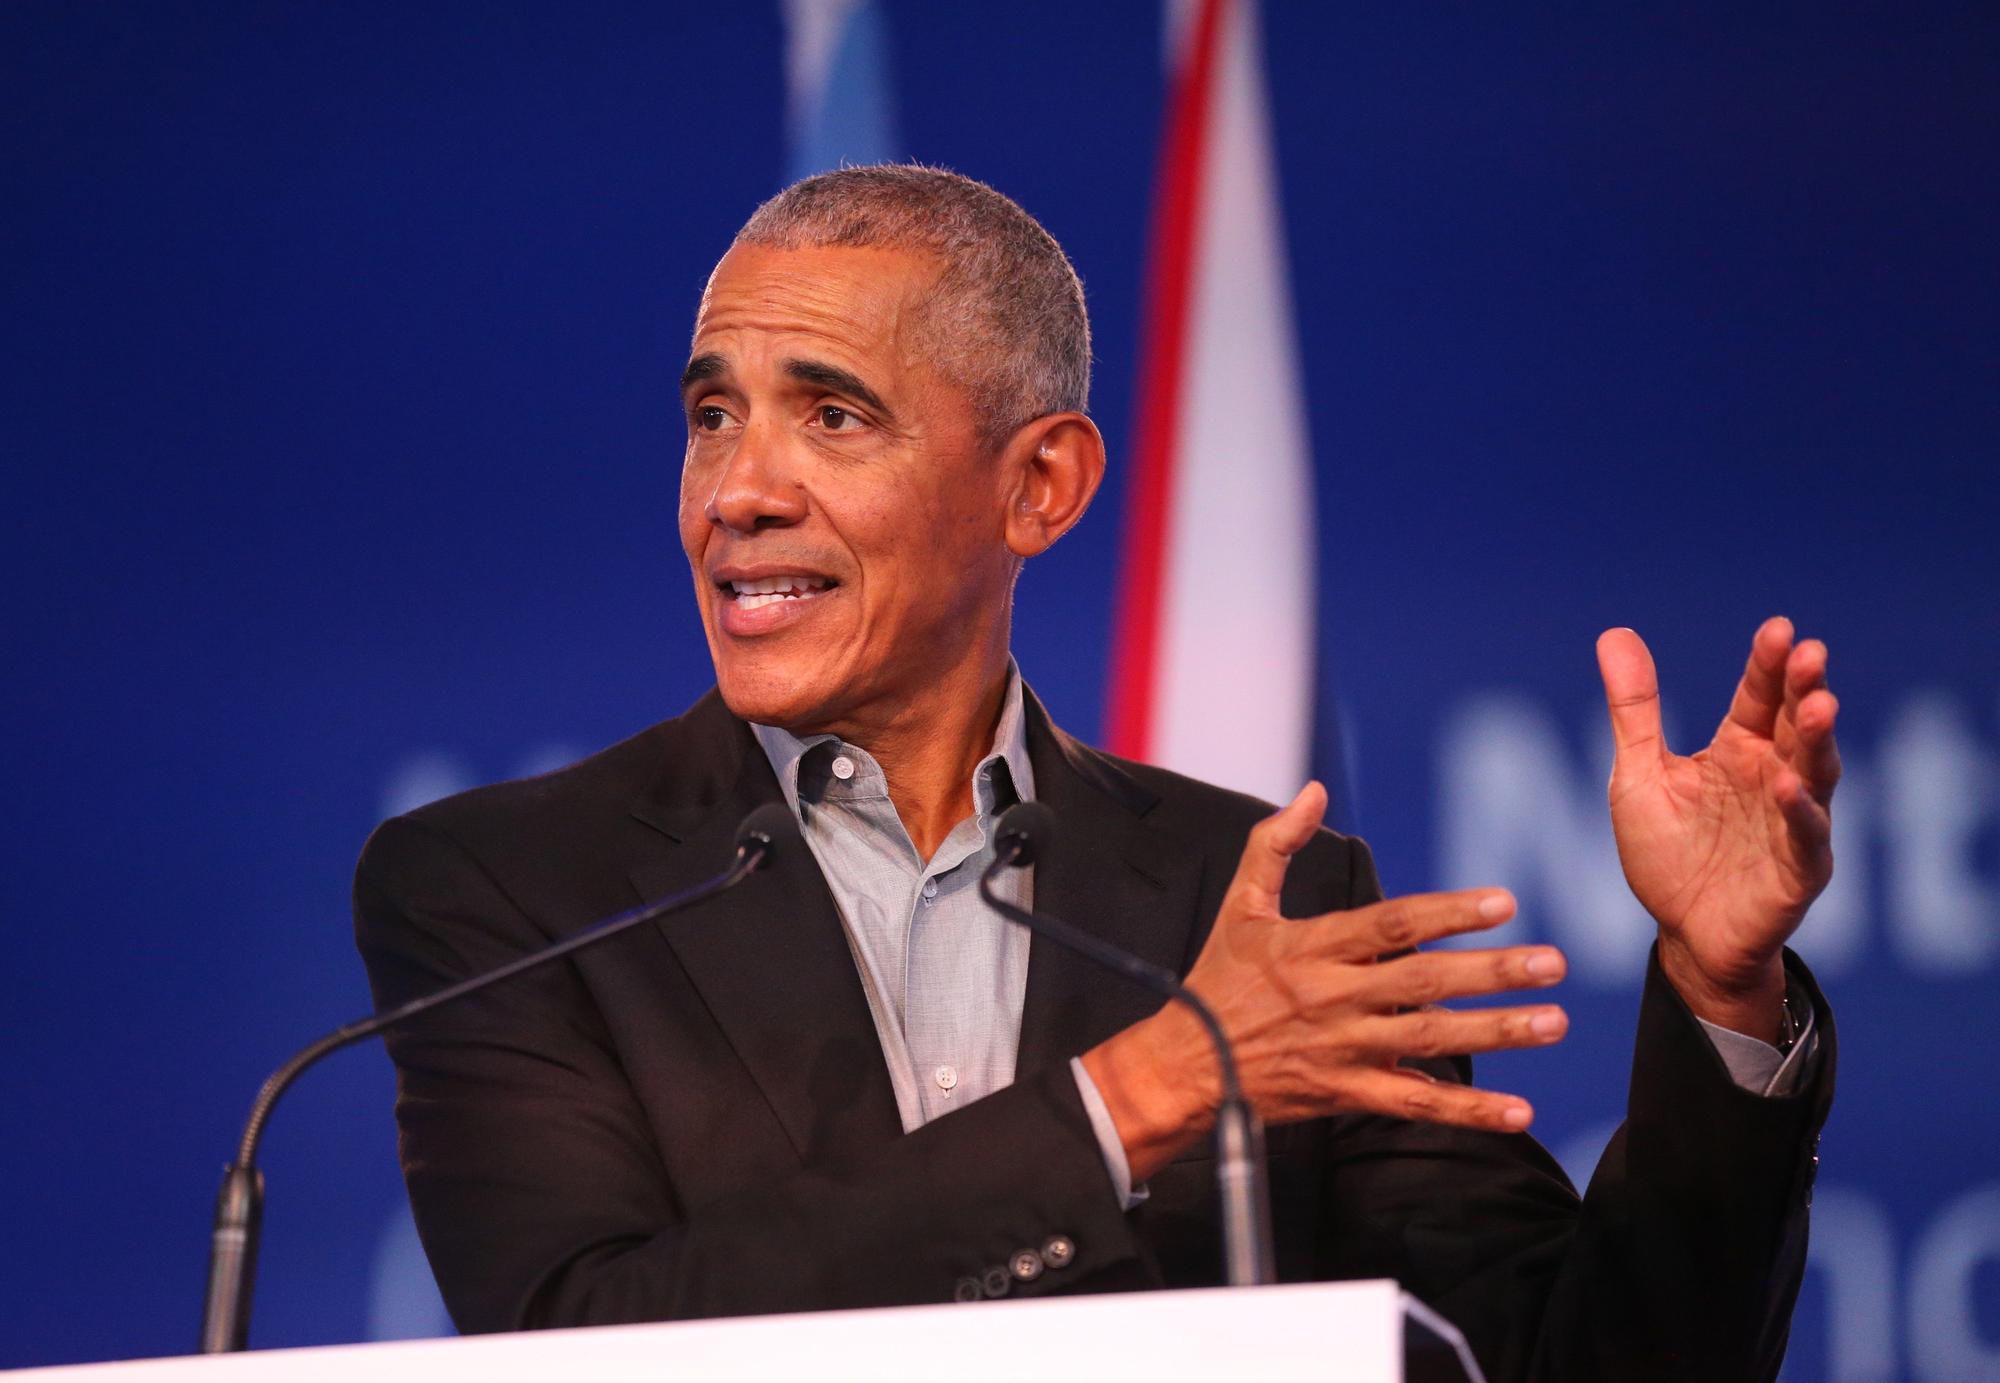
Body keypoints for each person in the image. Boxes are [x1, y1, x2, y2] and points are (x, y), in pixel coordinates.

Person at [355, 165, 1838, 1381]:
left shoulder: (1257, 901)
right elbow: (578, 1346)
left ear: (1039, 486)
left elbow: (1583, 1371)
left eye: (831, 414)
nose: (737, 491)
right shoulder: (515, 887)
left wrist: (1722, 994)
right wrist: (1136, 1100)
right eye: (710, 416)